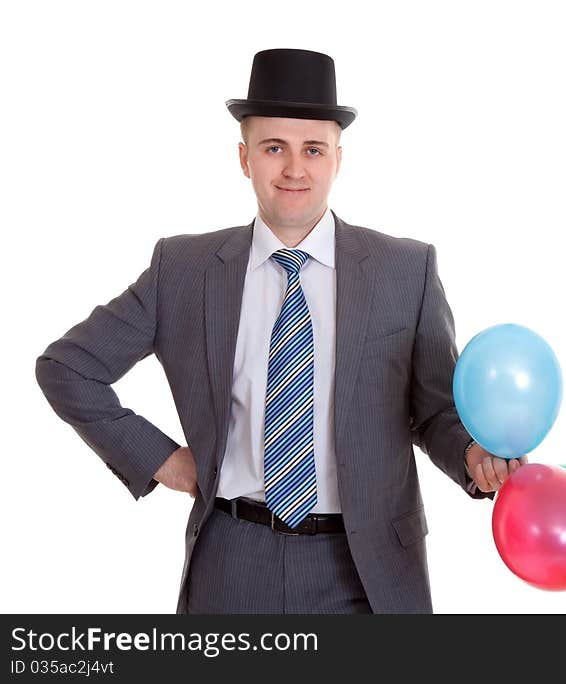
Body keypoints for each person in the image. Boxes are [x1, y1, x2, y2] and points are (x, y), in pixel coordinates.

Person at [34, 48, 526, 614]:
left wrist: (471, 453)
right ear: (245, 158)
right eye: (274, 148)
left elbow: (435, 410)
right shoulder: (184, 271)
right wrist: (161, 458)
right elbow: (68, 368)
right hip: (233, 561)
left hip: (367, 570)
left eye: (312, 149)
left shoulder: (405, 270)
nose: (294, 169)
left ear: (337, 159)